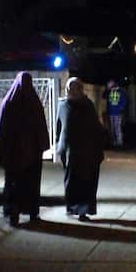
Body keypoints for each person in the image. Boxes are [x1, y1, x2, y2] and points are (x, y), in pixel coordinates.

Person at [0, 71, 50, 226]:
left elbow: (2, 127)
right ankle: (32, 212)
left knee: (14, 183)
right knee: (31, 184)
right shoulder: (34, 103)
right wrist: (42, 144)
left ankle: (13, 213)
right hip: (32, 153)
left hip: (14, 152)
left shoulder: (9, 102)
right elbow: (41, 126)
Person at [55, 77, 106, 221]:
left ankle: (82, 210)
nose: (74, 91)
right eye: (72, 88)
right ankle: (72, 207)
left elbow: (94, 126)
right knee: (71, 181)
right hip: (70, 151)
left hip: (86, 151)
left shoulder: (87, 105)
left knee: (84, 181)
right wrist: (60, 145)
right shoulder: (63, 105)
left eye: (77, 88)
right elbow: (59, 126)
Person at [104, 78, 126, 147]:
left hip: (118, 113)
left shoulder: (121, 91)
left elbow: (124, 102)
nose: (109, 88)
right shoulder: (110, 92)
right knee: (113, 128)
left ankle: (119, 142)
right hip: (111, 112)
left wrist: (120, 109)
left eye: (109, 86)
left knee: (117, 127)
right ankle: (114, 142)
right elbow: (106, 98)